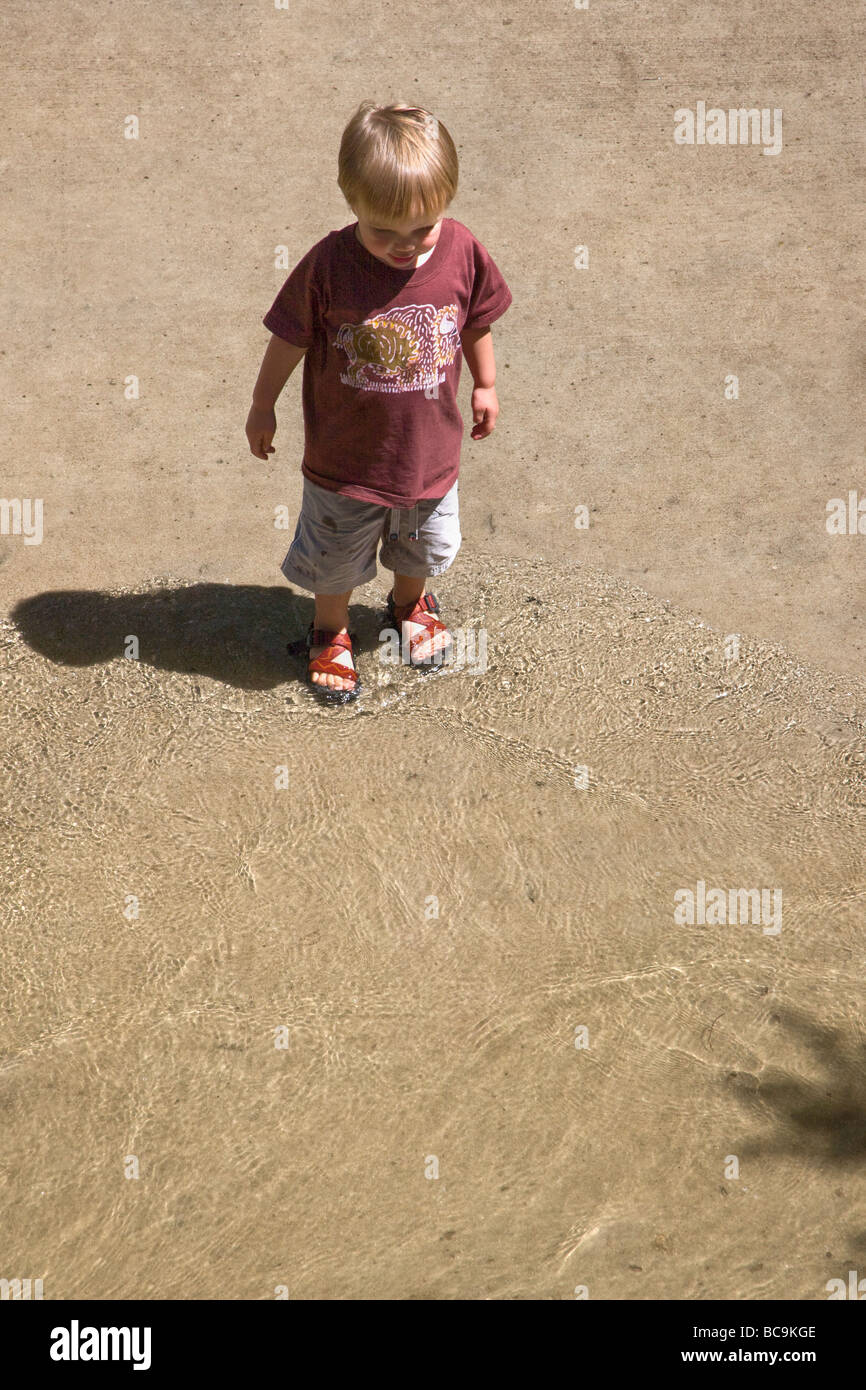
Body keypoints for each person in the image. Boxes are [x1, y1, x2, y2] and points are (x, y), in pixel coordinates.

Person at [246, 100, 512, 703]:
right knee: (335, 558)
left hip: (428, 458)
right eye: (382, 231)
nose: (405, 246)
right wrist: (265, 405)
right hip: (345, 463)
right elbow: (288, 337)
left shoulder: (462, 249)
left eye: (423, 229)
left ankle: (407, 603)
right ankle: (332, 629)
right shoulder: (329, 266)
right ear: (351, 203)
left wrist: (487, 383)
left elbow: (475, 320)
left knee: (419, 542)